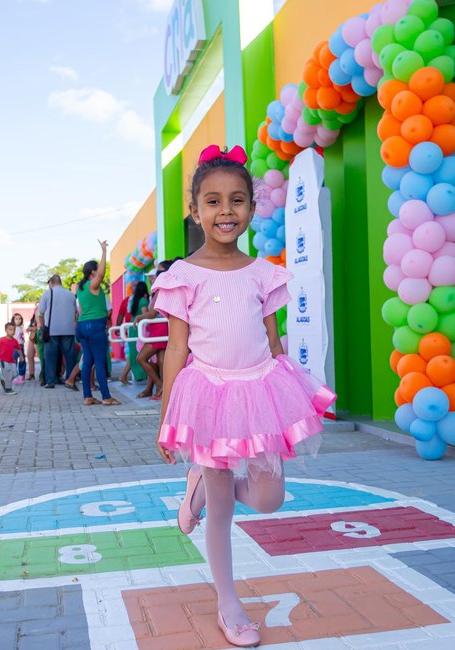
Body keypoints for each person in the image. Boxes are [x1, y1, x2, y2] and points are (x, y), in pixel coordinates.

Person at [153, 145, 335, 647]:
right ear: (195, 210)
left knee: (269, 498)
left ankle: (199, 490)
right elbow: (175, 350)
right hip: (208, 396)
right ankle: (228, 604)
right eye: (212, 201)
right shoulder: (182, 276)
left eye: (237, 200)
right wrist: (167, 416)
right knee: (224, 509)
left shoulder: (263, 273)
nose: (225, 211)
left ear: (252, 209)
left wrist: (288, 391)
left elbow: (273, 338)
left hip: (260, 391)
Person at [74, 242, 122, 406]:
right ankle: (106, 397)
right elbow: (101, 274)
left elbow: (80, 310)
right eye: (97, 270)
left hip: (83, 327)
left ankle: (87, 396)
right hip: (94, 327)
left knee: (88, 361)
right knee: (100, 362)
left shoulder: (80, 288)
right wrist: (103, 252)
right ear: (92, 272)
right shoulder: (92, 284)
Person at [136, 260, 174, 399]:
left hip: (159, 330)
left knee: (141, 358)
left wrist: (139, 317)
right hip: (162, 329)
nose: (153, 278)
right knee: (161, 361)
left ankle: (160, 385)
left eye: (156, 274)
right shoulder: (166, 289)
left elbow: (152, 313)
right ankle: (163, 390)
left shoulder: (160, 290)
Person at [37, 274, 78, 389]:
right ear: (60, 282)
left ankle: (50, 381)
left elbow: (41, 312)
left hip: (51, 330)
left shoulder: (47, 294)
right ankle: (70, 380)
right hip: (68, 330)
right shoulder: (70, 294)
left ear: (51, 283)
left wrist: (41, 326)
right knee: (70, 356)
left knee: (50, 356)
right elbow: (76, 312)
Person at [0, 322, 21, 395]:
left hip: (11, 361)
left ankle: (3, 379)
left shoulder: (15, 341)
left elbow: (18, 349)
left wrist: (21, 356)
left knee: (15, 374)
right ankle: (8, 390)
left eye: (14, 330)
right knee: (8, 374)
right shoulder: (2, 340)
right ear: (6, 330)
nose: (12, 331)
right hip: (3, 360)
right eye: (10, 329)